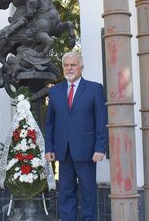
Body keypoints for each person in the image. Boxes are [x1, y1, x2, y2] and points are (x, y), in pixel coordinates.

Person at [45, 51, 108, 221]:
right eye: (66, 65)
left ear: (81, 67)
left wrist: (100, 147)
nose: (69, 68)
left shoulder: (95, 89)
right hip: (63, 152)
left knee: (88, 194)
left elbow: (101, 121)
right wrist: (49, 147)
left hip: (87, 152)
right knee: (65, 193)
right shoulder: (55, 92)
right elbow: (50, 122)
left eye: (73, 65)